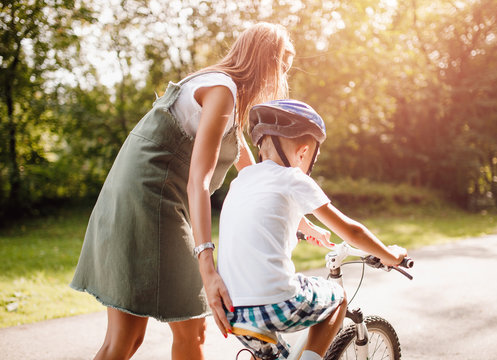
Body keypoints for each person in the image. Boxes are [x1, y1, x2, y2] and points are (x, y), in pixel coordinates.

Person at [70, 23, 326, 360]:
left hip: (130, 199)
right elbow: (198, 181)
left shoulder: (223, 94)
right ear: (265, 62)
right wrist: (207, 266)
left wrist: (299, 219)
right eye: (281, 68)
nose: (280, 80)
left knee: (126, 339)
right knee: (185, 331)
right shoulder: (222, 91)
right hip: (150, 204)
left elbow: (249, 170)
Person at [217, 100, 408, 360]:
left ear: (261, 145)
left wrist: (309, 229)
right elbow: (352, 232)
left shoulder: (242, 181)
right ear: (304, 152)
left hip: (233, 310)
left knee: (274, 356)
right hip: (275, 303)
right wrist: (390, 254)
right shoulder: (294, 178)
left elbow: (270, 211)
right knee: (338, 297)